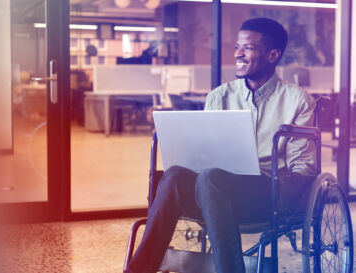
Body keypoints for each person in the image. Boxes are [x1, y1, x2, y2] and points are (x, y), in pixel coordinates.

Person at [124, 17, 316, 273]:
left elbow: (302, 169)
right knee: (174, 175)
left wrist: (280, 183)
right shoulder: (220, 96)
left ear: (272, 54)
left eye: (247, 48)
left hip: (266, 195)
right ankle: (138, 270)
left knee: (211, 178)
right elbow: (204, 153)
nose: (238, 53)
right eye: (237, 46)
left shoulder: (298, 101)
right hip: (213, 192)